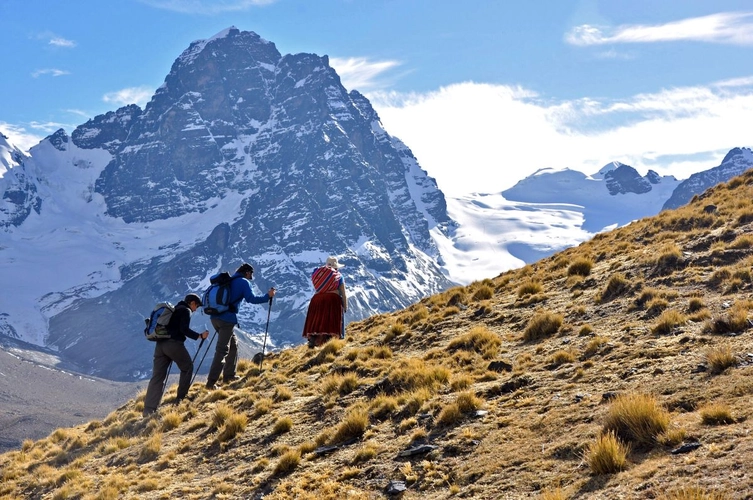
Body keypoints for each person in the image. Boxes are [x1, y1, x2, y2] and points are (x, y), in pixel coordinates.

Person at [205, 263, 276, 389]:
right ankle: (211, 384)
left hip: (214, 318)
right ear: (247, 272)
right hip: (227, 319)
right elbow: (251, 299)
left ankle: (229, 376)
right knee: (222, 350)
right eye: (251, 274)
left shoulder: (229, 280)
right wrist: (267, 296)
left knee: (233, 345)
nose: (251, 277)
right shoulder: (243, 282)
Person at [143, 293, 209, 416]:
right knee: (187, 367)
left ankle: (148, 409)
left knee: (157, 377)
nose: (196, 309)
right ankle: (181, 399)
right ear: (192, 303)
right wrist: (199, 336)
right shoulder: (185, 311)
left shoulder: (174, 310)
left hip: (160, 345)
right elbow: (183, 329)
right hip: (173, 344)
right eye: (197, 306)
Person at [302, 256, 348, 348]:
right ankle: (330, 342)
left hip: (317, 300)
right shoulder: (338, 276)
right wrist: (345, 305)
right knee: (330, 321)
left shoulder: (317, 273)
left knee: (317, 320)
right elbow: (343, 292)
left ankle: (313, 340)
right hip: (332, 300)